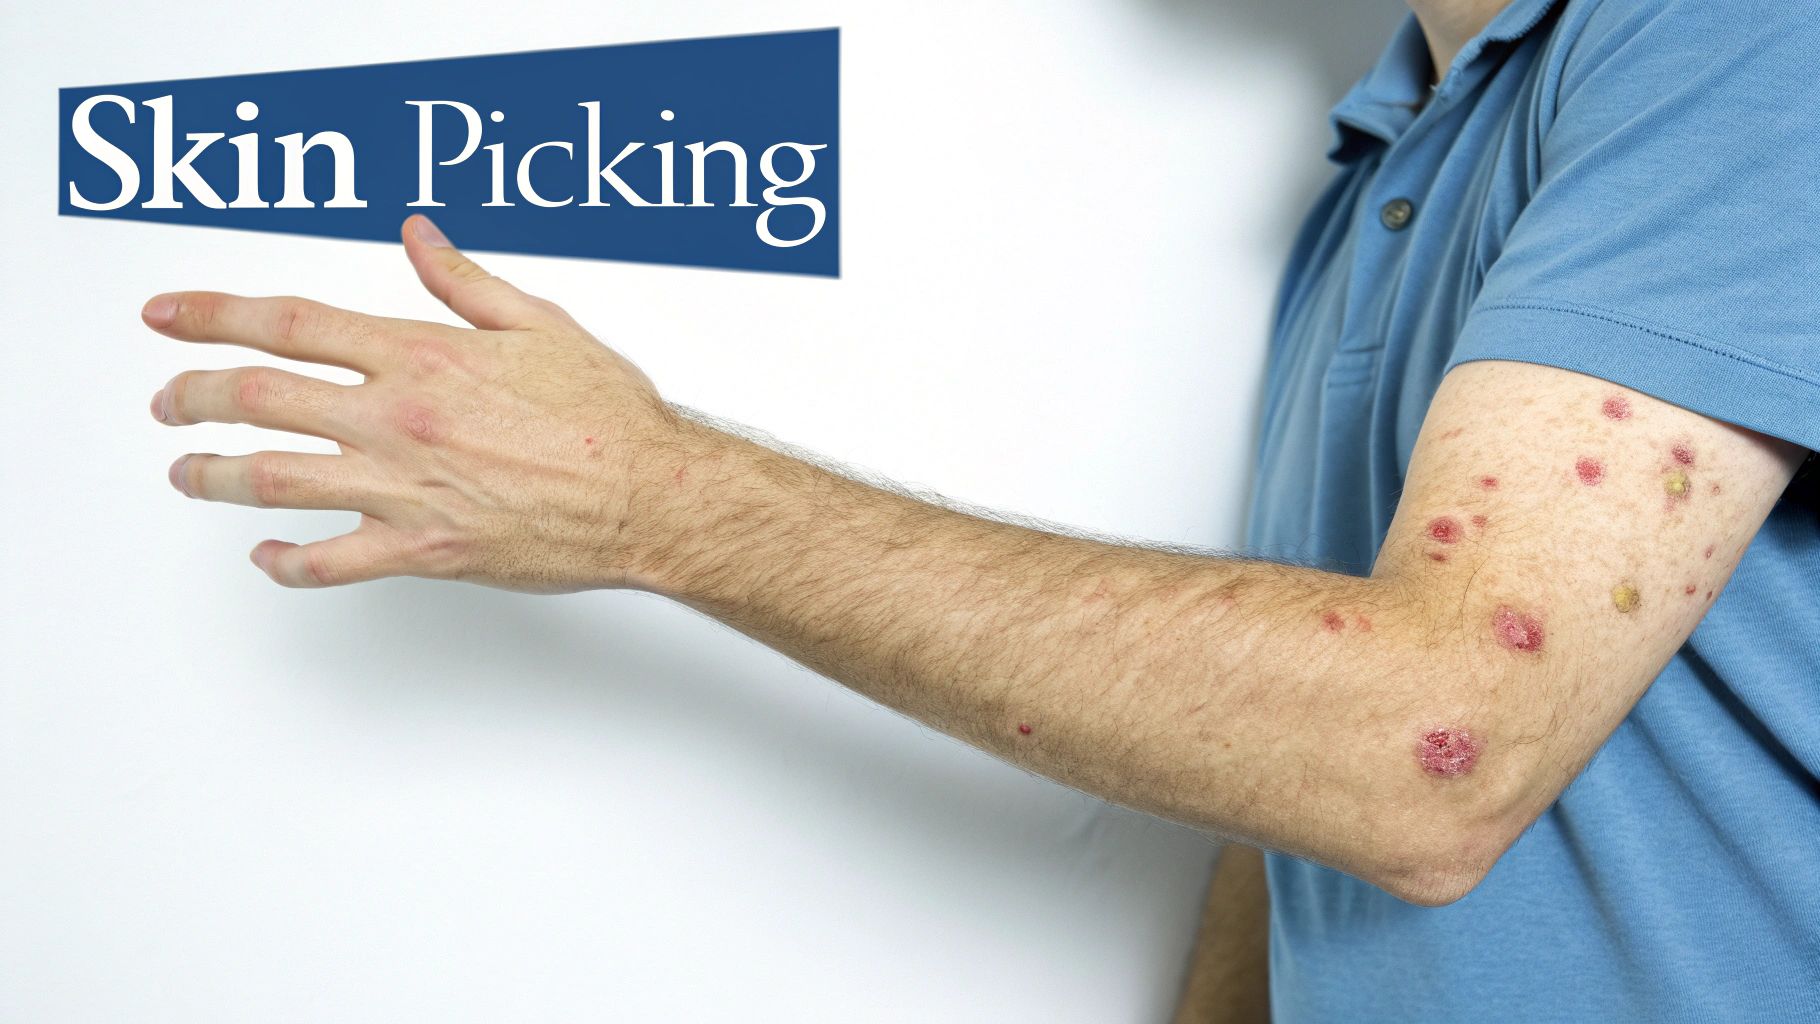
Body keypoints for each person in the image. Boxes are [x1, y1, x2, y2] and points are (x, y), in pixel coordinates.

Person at [139, 0, 1819, 1018]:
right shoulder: (1387, 171)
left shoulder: (1742, 43)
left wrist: (656, 500)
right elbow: (1293, 786)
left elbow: (1425, 748)